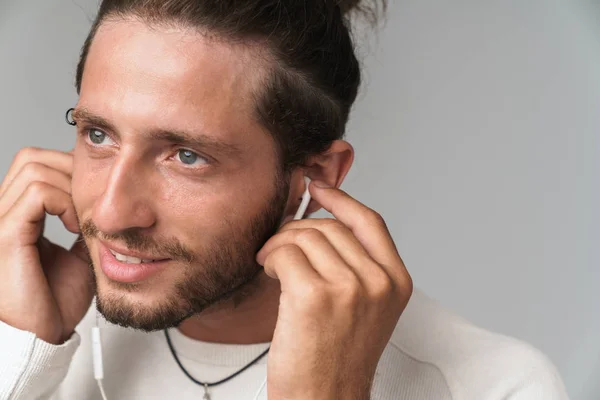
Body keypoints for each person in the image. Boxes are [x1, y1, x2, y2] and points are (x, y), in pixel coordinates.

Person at [0, 0, 569, 399]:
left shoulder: (496, 387)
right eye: (98, 135)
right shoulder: (35, 335)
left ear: (315, 174)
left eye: (187, 156)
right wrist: (17, 357)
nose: (108, 213)